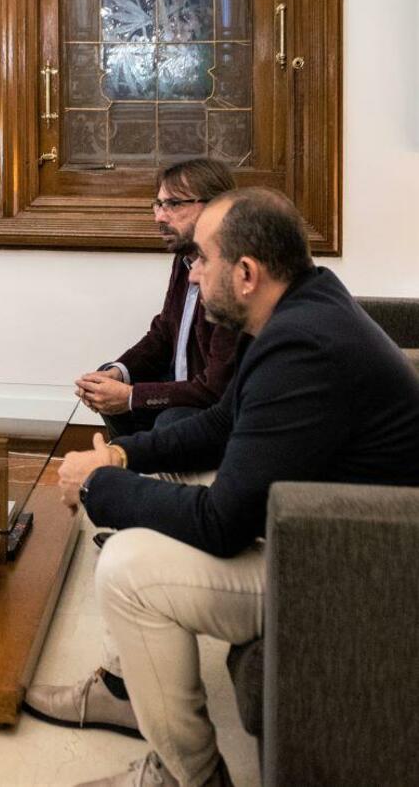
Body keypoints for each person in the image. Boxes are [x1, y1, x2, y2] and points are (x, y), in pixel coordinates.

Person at [26, 188, 419, 787]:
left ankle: (188, 777)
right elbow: (223, 422)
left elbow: (222, 520)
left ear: (245, 273)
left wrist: (101, 480)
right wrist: (125, 454)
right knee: (164, 475)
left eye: (201, 260)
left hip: (356, 570)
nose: (192, 275)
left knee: (129, 571)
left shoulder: (303, 345)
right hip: (326, 528)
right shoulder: (304, 304)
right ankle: (125, 687)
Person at [76, 159, 239, 439]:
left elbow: (216, 390)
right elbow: (164, 332)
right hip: (185, 391)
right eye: (158, 204)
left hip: (222, 409)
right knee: (106, 382)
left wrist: (131, 396)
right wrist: (119, 374)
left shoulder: (234, 273)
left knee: (171, 419)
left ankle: (143, 472)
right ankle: (133, 470)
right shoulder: (185, 258)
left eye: (174, 204)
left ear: (216, 207)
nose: (160, 217)